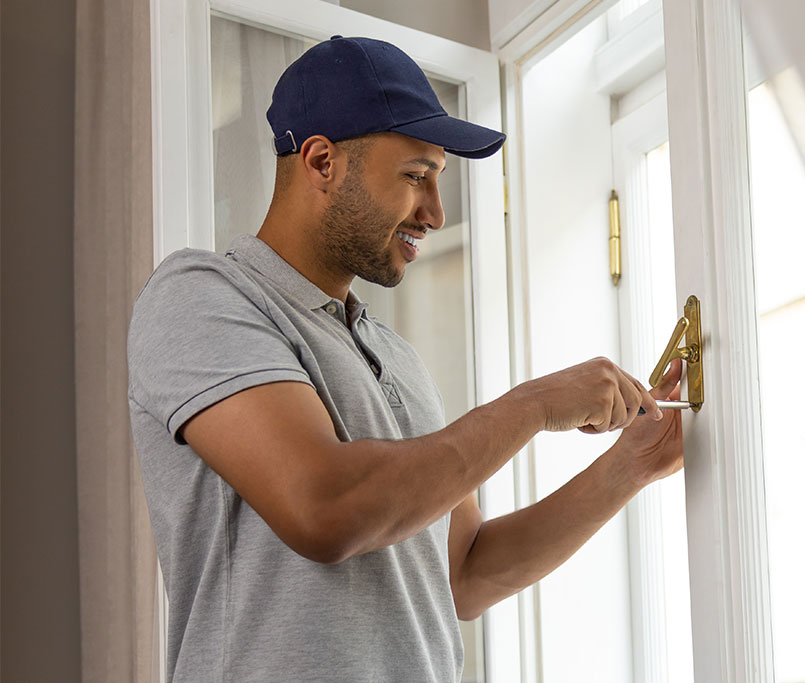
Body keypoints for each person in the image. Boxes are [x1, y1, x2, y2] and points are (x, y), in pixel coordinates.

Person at [128, 35, 685, 682]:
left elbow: (463, 573)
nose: (437, 212)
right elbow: (323, 507)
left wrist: (631, 464)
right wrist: (534, 406)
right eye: (416, 176)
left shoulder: (397, 357)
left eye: (438, 180)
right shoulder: (200, 296)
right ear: (320, 161)